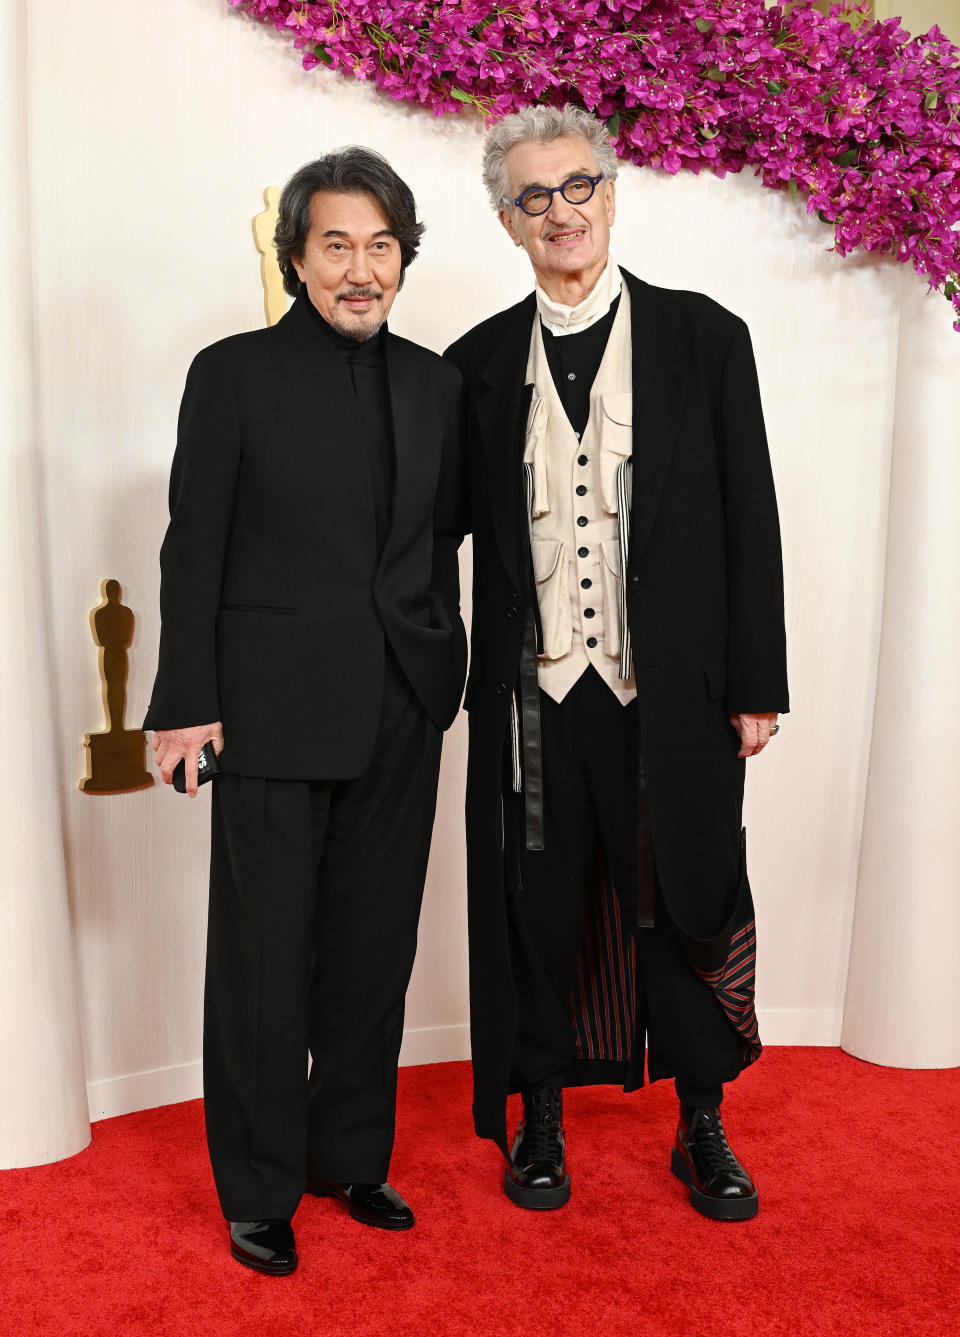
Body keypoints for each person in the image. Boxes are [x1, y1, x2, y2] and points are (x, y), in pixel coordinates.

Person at [444, 105, 787, 1221]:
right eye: (535, 197)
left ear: (611, 190)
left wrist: (756, 683)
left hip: (673, 695)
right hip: (538, 699)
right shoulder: (477, 366)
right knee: (540, 901)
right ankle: (540, 1111)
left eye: (578, 185)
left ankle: (702, 1123)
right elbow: (423, 529)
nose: (563, 212)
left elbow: (753, 518)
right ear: (508, 222)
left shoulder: (705, 336)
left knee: (686, 895)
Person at [145, 147, 465, 1274]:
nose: (360, 268)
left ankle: (351, 1158)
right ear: (295, 256)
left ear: (403, 259)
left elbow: (441, 537)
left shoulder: (436, 383)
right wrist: (185, 705)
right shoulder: (229, 373)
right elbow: (195, 546)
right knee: (265, 960)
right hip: (270, 712)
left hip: (401, 706)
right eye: (337, 244)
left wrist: (444, 653)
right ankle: (262, 1183)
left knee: (374, 951)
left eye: (381, 246)